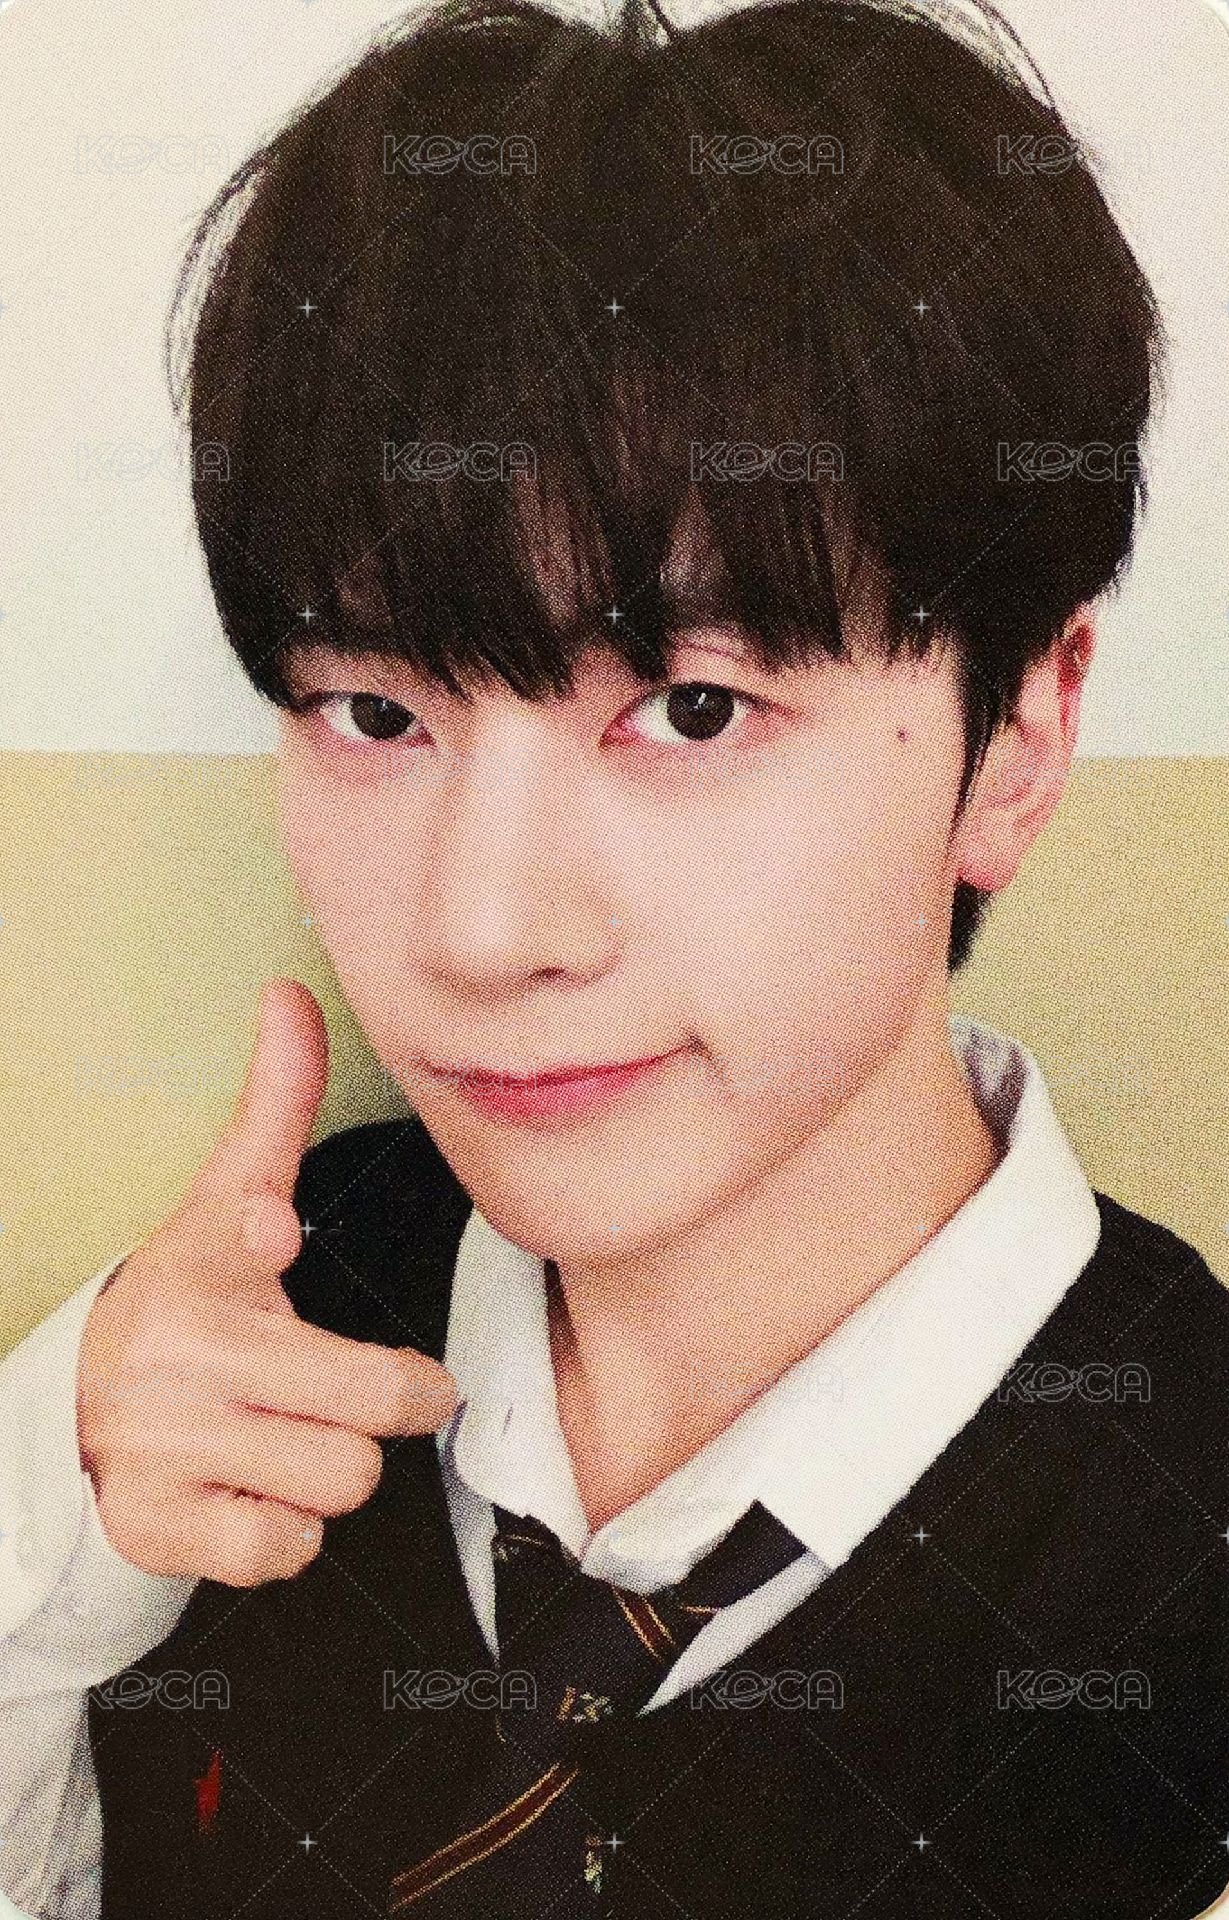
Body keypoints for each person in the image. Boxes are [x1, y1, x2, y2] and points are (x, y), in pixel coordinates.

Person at [2, 0, 1226, 1914]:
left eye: (693, 709)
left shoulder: (1180, 1552)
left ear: (1018, 735)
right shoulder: (209, 1369)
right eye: (375, 712)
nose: (482, 932)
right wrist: (37, 1556)